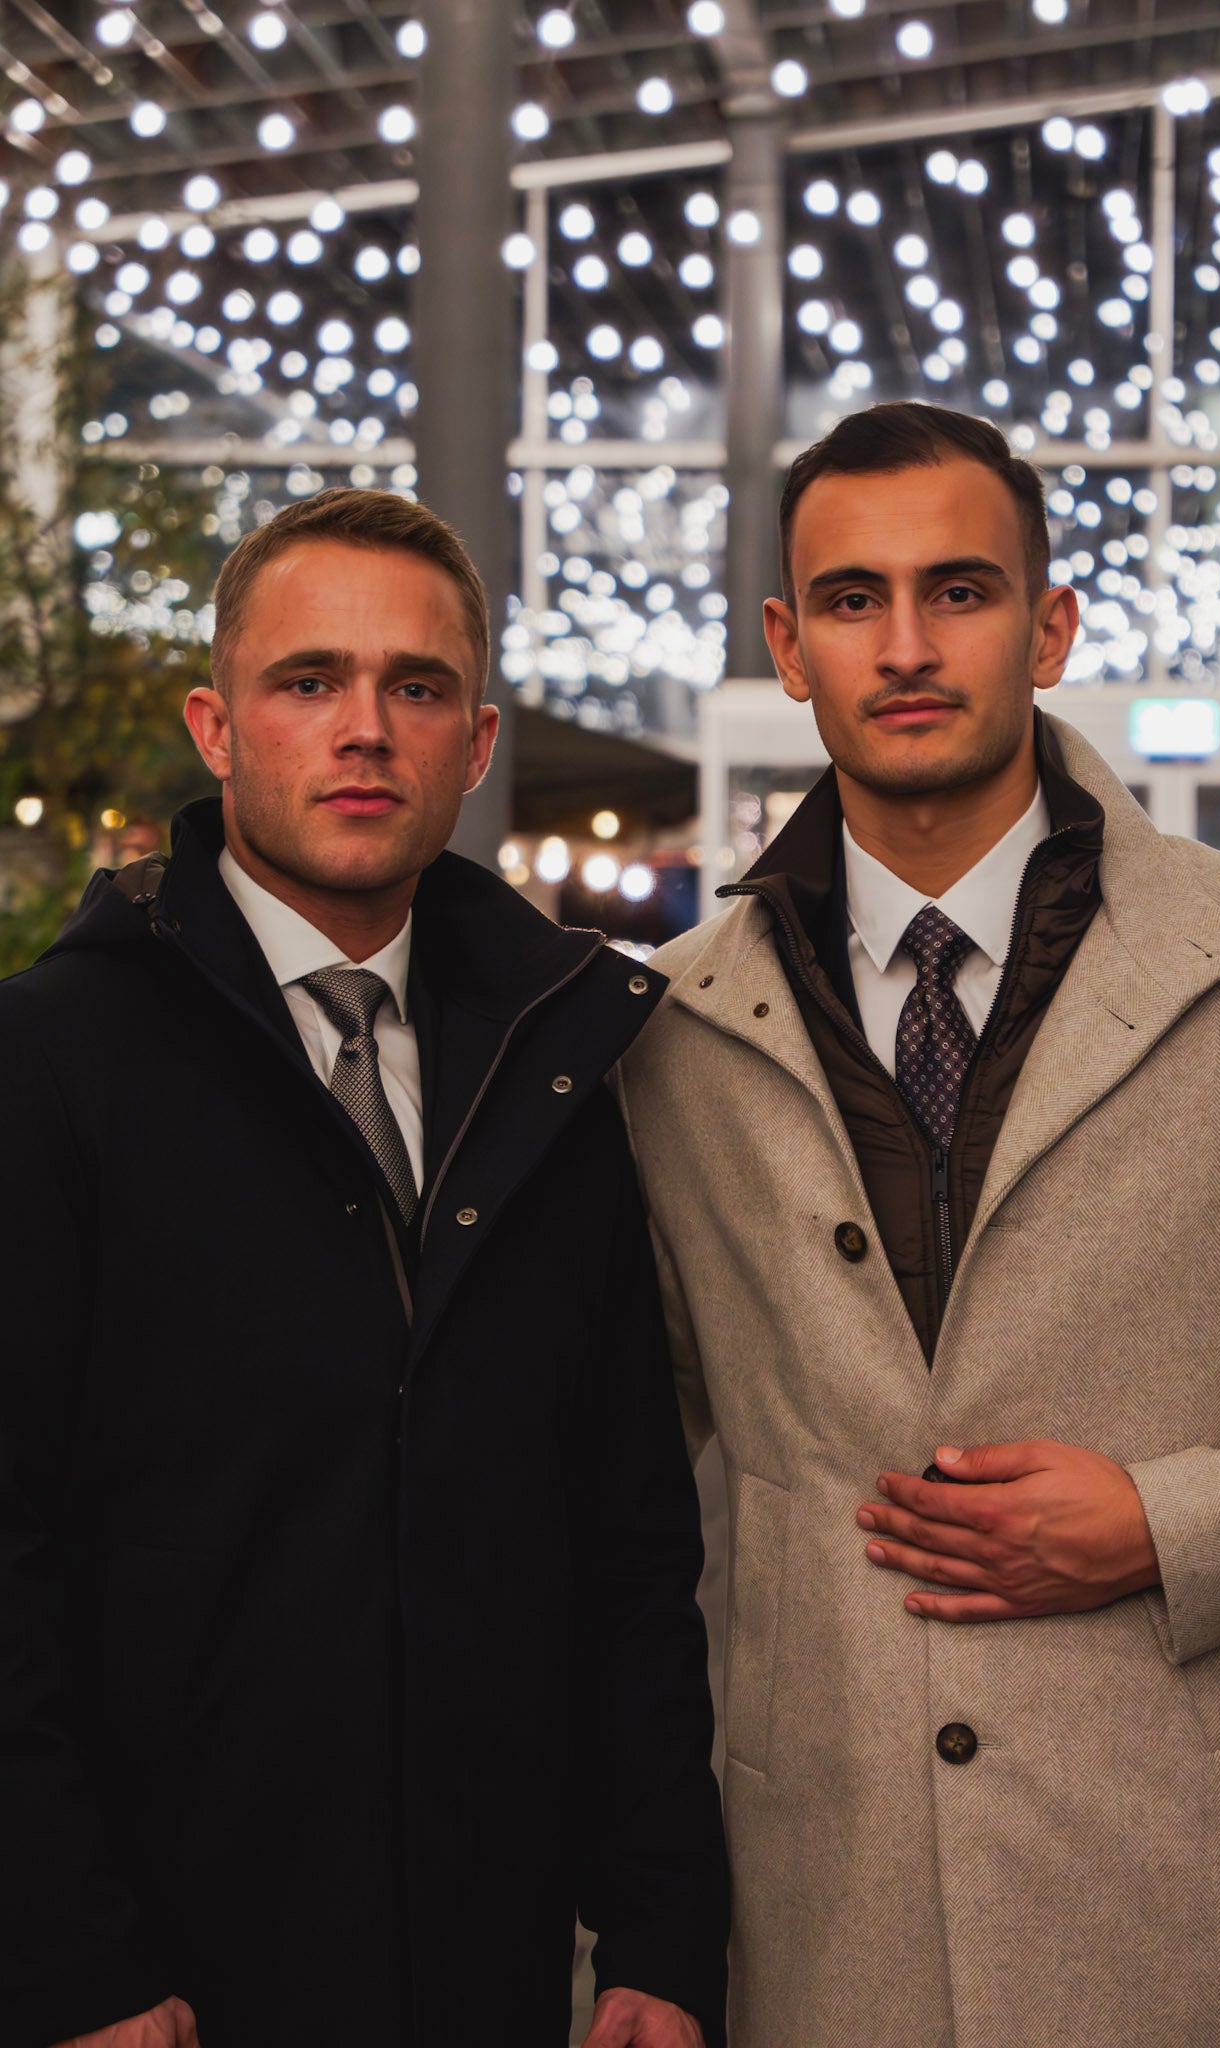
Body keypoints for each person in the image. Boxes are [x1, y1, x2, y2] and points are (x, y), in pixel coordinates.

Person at [615, 400, 1220, 2047]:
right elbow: (627, 1477)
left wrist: (1169, 1525)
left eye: (956, 591)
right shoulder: (668, 1028)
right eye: (851, 599)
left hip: (1199, 1900)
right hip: (830, 1908)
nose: (904, 645)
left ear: (1047, 627)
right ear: (786, 646)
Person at [0, 488, 728, 2048]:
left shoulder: (551, 1071)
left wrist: (662, 1929)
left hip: (486, 1964)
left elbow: (625, 1537)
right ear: (215, 727)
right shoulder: (53, 1064)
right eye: (308, 680)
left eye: (416, 687)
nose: (364, 731)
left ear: (474, 745)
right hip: (163, 1972)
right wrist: (68, 1955)